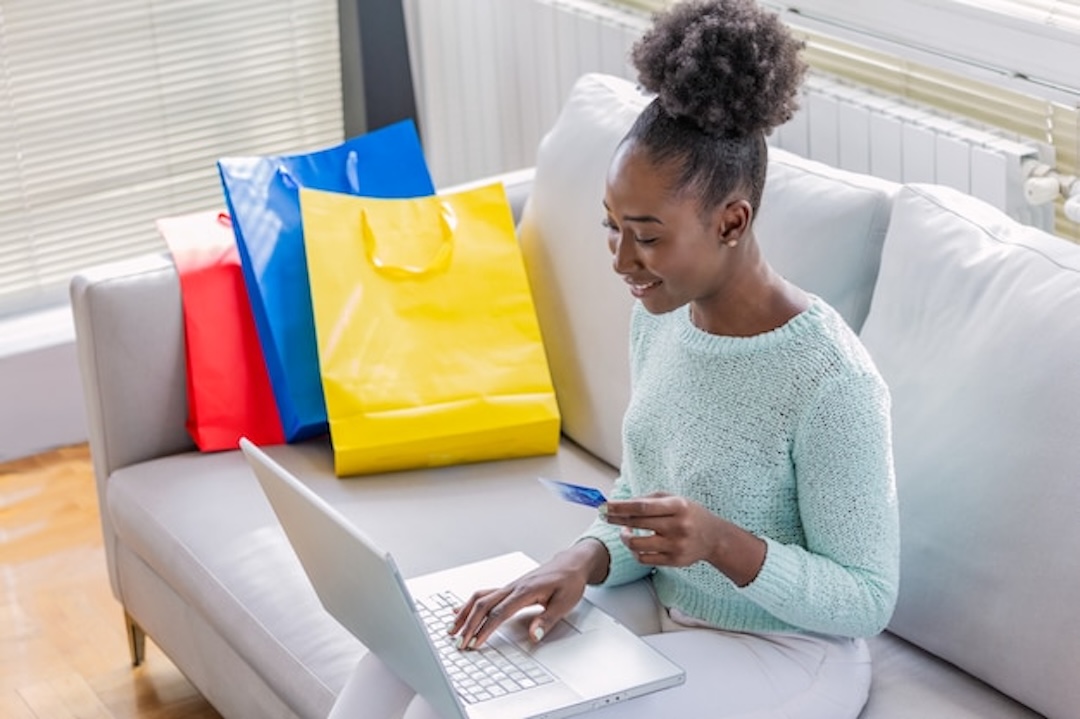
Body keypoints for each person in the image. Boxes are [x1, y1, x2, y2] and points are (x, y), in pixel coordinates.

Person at [448, 1, 900, 717]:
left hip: (791, 653)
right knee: (434, 661)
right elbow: (643, 498)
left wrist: (719, 540)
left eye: (648, 236)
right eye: (611, 225)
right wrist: (585, 556)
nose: (623, 258)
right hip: (667, 613)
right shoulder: (660, 322)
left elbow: (866, 597)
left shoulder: (829, 378)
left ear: (732, 221)